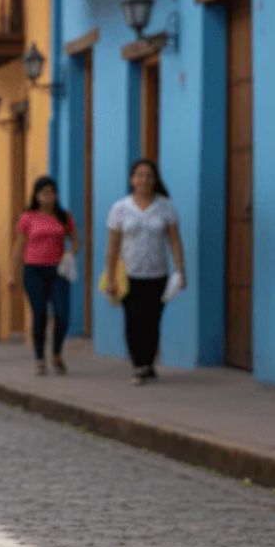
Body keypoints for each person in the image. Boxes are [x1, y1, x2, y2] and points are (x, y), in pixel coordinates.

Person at [104, 158, 187, 384]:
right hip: (129, 275)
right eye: (139, 175)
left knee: (152, 321)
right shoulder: (120, 208)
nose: (144, 179)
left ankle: (148, 363)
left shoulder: (165, 207)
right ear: (132, 180)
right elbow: (113, 246)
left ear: (155, 179)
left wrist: (181, 271)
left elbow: (174, 241)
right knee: (133, 320)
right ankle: (138, 364)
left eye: (148, 175)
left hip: (157, 273)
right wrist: (110, 277)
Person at [12, 175, 79, 376]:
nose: (48, 197)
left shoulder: (63, 216)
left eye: (51, 192)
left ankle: (56, 352)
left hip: (58, 271)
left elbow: (76, 241)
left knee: (62, 314)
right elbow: (19, 247)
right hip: (34, 270)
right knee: (39, 313)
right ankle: (40, 358)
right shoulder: (28, 217)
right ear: (37, 196)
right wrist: (12, 274)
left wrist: (71, 253)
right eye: (44, 193)